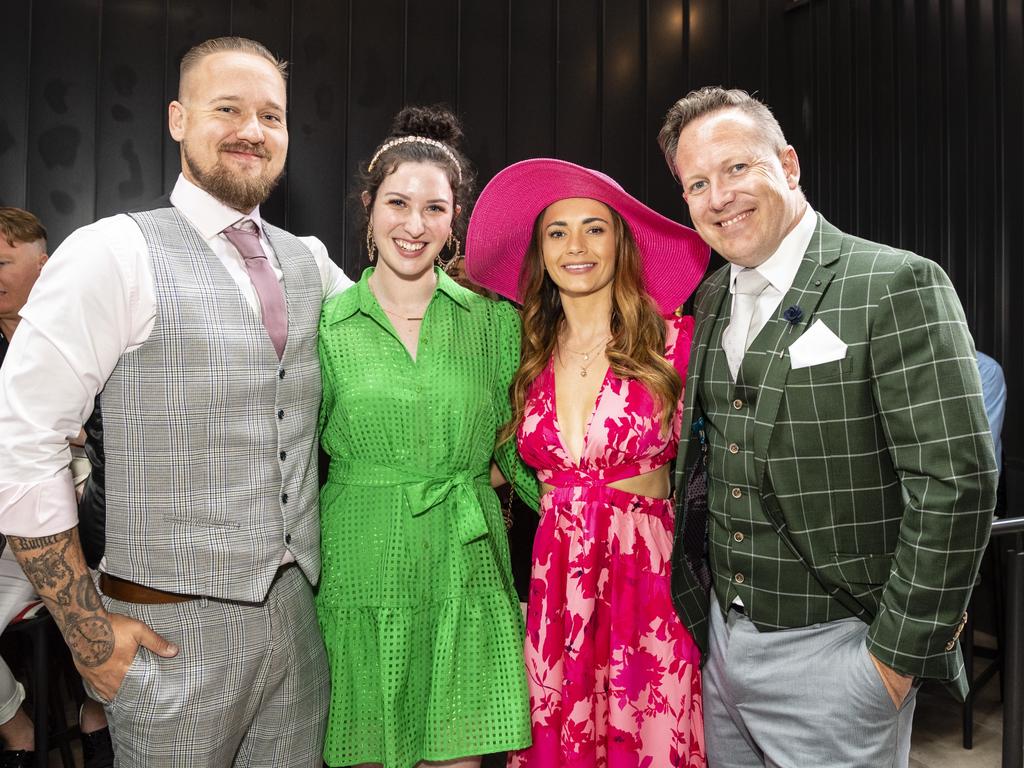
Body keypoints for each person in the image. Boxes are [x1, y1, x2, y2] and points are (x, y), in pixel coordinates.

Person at [0, 37, 352, 767]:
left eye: (271, 116)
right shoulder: (113, 253)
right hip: (167, 638)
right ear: (176, 119)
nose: (252, 130)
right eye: (228, 108)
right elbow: (22, 440)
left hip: (297, 629)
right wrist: (86, 630)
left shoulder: (311, 261)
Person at [659, 87, 997, 767]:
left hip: (840, 658)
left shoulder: (894, 282)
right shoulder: (713, 295)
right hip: (723, 648)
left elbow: (954, 482)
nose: (718, 196)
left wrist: (892, 664)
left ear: (788, 164)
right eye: (697, 183)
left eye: (736, 169)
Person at [465, 159, 710, 767]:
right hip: (557, 588)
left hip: (648, 582)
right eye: (557, 232)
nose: (576, 246)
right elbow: (486, 463)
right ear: (540, 253)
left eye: (594, 228)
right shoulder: (525, 355)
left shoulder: (676, 342)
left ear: (621, 241)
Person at [316, 105, 539, 768]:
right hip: (360, 564)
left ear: (455, 219)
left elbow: (520, 443)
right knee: (361, 750)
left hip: (463, 565)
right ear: (368, 207)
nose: (414, 226)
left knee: (458, 757)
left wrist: (591, 511)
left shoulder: (493, 321)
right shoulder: (326, 323)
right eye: (397, 203)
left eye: (434, 209)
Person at [0, 207, 113, 768]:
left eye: (1, 261)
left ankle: (95, 715)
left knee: (108, 608)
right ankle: (16, 727)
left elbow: (98, 435)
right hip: (9, 527)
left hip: (83, 517)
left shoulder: (89, 328)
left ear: (43, 266)